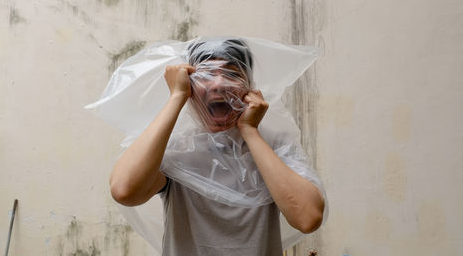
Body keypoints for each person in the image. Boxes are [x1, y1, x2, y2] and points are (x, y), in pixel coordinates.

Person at [108, 38, 325, 256]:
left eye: (232, 73)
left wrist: (250, 131)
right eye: (207, 74)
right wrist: (177, 96)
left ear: (249, 87)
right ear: (190, 84)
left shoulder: (273, 144)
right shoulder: (176, 149)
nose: (219, 84)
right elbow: (124, 190)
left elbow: (308, 218)